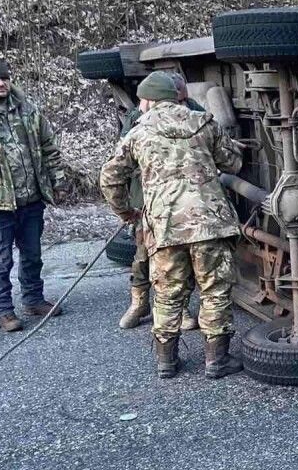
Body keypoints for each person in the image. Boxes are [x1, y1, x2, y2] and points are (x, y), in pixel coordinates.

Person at [100, 70, 245, 380]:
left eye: (141, 101)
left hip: (165, 227)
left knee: (167, 294)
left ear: (150, 101)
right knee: (215, 291)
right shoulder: (203, 122)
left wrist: (126, 212)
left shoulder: (138, 133)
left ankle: (167, 362)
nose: (140, 107)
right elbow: (233, 163)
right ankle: (216, 361)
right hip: (209, 223)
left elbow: (110, 177)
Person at [0, 55, 69, 332]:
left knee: (32, 254)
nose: (1, 83)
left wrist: (58, 181)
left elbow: (48, 148)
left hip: (31, 198)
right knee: (0, 259)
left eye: (4, 78)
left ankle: (33, 299)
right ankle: (3, 311)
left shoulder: (27, 108)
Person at [117, 72, 204, 331]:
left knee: (179, 260)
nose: (178, 105)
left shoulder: (194, 111)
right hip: (147, 197)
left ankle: (181, 308)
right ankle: (139, 302)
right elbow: (121, 161)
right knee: (143, 254)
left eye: (182, 100)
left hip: (183, 199)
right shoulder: (137, 120)